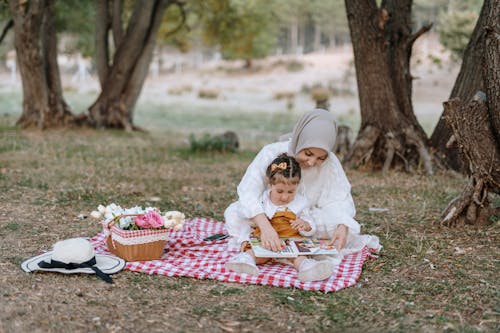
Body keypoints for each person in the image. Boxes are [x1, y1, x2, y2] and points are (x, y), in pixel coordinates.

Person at [224, 109, 380, 265]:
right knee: (234, 213)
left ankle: (294, 250)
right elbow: (248, 192)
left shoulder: (331, 163)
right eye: (308, 153)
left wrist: (342, 225)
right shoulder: (271, 152)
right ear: (300, 140)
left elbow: (339, 198)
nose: (312, 162)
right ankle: (258, 245)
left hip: (302, 218)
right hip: (267, 215)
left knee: (341, 226)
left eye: (320, 158)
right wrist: (266, 227)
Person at [225, 153, 335, 282]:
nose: (285, 197)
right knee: (257, 254)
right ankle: (244, 261)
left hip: (290, 241)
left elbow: (310, 223)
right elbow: (249, 219)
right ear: (270, 184)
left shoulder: (301, 202)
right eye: (280, 191)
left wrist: (305, 225)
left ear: (297, 185)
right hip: (266, 242)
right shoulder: (263, 201)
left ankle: (308, 268)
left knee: (298, 257)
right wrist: (245, 238)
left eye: (291, 192)